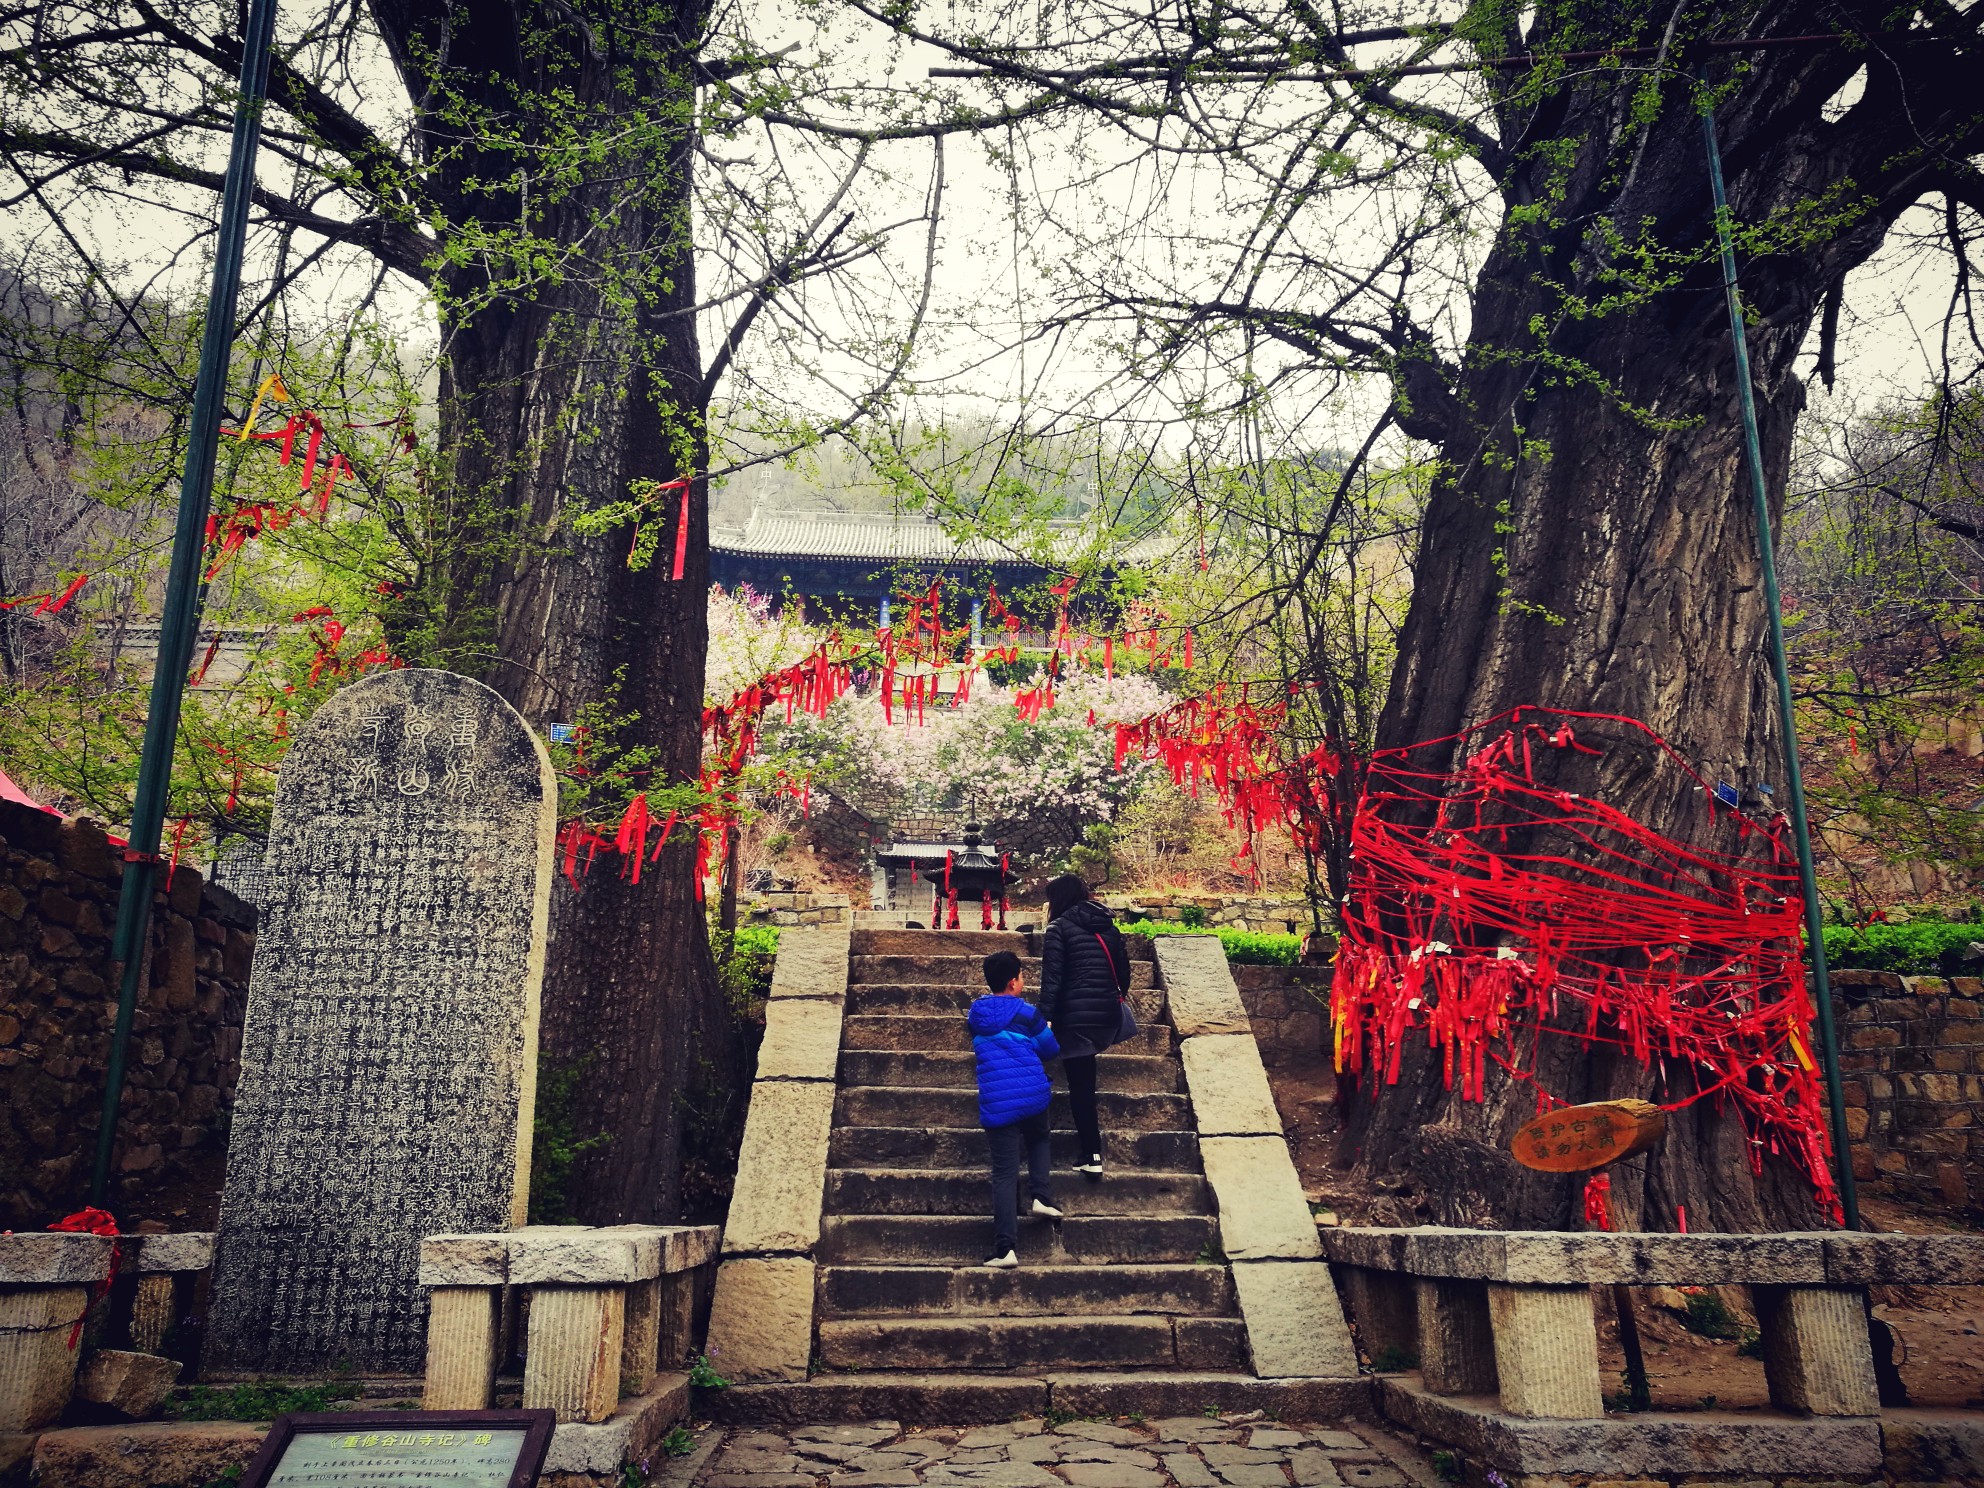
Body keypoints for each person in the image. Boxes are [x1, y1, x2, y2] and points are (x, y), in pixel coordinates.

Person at [968, 949, 1064, 1268]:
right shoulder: (1028, 1013)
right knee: (1038, 1139)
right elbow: (1050, 1049)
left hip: (998, 1100)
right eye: (1022, 975)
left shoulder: (976, 1015)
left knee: (1005, 1174)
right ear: (1013, 982)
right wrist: (1035, 1038)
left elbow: (994, 1040)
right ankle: (1041, 1195)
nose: (1024, 980)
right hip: (1032, 1092)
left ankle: (1005, 1248)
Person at [1036, 872, 1131, 1178]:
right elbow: (1124, 973)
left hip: (1075, 1017)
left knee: (1081, 1087)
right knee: (1084, 1080)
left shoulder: (1058, 929)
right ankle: (1091, 1152)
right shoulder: (1108, 927)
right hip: (1105, 1015)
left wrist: (1044, 1019)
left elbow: (1052, 981)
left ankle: (1091, 1154)